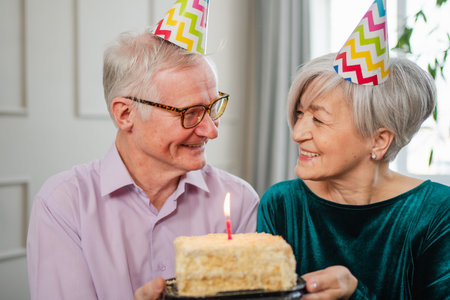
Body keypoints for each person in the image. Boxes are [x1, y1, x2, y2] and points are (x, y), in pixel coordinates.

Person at [27, 30, 259, 300]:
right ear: (125, 114)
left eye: (212, 108)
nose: (211, 131)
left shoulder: (240, 200)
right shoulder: (64, 205)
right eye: (191, 113)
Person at [256, 52, 450, 299]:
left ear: (379, 141)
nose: (297, 133)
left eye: (318, 119)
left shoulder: (437, 212)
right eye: (300, 113)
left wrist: (353, 295)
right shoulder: (281, 204)